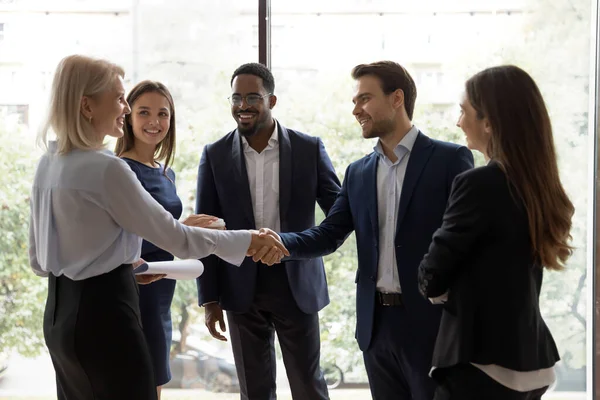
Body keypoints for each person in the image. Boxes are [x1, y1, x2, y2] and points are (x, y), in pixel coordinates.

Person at [28, 55, 288, 400]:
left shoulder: (49, 163)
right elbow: (177, 237)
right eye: (120, 98)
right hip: (107, 313)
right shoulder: (108, 169)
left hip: (59, 315)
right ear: (87, 106)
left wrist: (125, 262)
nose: (125, 107)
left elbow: (38, 260)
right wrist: (250, 240)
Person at [257, 60, 474, 400]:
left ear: (397, 98)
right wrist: (280, 242)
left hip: (433, 325)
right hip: (377, 329)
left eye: (364, 99)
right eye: (356, 101)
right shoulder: (358, 172)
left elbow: (466, 243)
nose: (356, 109)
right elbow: (329, 234)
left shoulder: (451, 159)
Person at [417, 65, 573, 400]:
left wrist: (449, 288)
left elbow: (431, 276)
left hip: (481, 364)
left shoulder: (479, 183)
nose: (458, 122)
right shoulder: (540, 187)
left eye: (464, 111)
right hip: (532, 362)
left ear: (489, 122)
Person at [195, 62, 341, 400]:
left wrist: (304, 246)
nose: (242, 106)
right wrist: (210, 298)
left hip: (296, 283)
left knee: (309, 385)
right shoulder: (214, 155)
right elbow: (206, 231)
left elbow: (339, 215)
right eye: (235, 98)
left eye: (251, 98)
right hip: (239, 286)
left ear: (271, 100)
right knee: (255, 390)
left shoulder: (308, 149)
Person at [114, 80, 218, 399]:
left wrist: (192, 234)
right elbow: (116, 239)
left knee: (155, 384)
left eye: (163, 114)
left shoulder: (165, 173)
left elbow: (167, 235)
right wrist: (180, 228)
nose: (155, 122)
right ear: (128, 117)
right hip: (129, 294)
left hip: (160, 297)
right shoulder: (117, 170)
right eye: (144, 112)